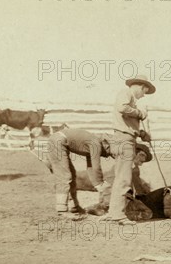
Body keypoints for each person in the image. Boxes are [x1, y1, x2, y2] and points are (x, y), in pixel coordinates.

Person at [104, 74, 155, 225]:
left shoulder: (129, 97)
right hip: (124, 140)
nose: (144, 95)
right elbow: (122, 108)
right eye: (145, 92)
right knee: (125, 178)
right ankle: (119, 215)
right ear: (141, 86)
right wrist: (140, 113)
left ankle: (113, 213)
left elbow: (127, 123)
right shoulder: (126, 94)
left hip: (124, 137)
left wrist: (141, 133)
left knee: (120, 177)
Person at [47, 127, 114, 214]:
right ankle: (61, 209)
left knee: (72, 174)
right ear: (106, 144)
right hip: (58, 142)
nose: (107, 155)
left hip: (59, 141)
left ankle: (74, 206)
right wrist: (101, 185)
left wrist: (97, 184)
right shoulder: (96, 144)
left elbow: (91, 167)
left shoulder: (93, 143)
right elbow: (96, 167)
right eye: (108, 152)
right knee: (64, 176)